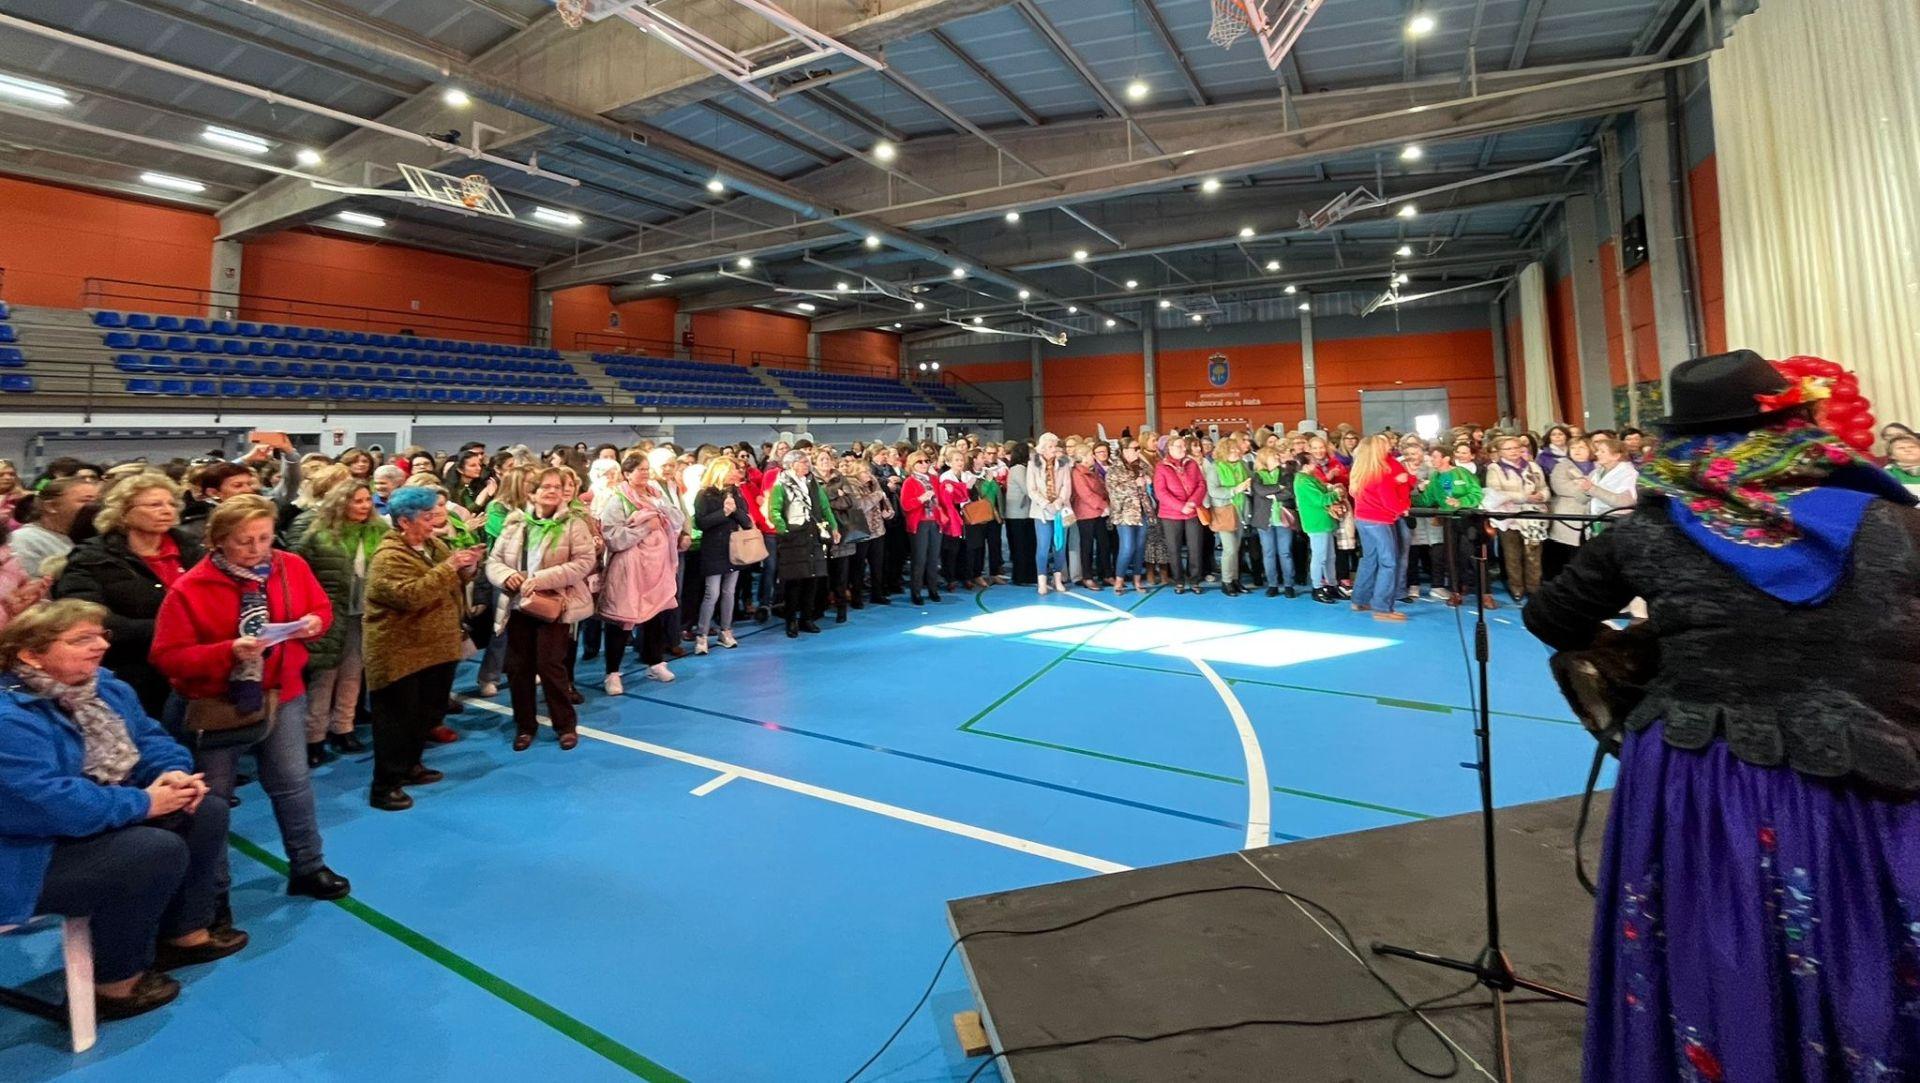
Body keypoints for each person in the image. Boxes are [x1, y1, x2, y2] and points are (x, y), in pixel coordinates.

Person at [1522, 351, 1920, 1082]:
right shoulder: (1893, 520)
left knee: (1716, 954)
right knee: (1867, 956)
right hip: (1868, 771)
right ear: (1797, 420)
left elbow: (1550, 615)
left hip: (1703, 778)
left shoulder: (1649, 529)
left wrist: (1647, 645)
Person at [0, 600, 246, 1020]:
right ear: (30, 654)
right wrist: (145, 802)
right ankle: (115, 983)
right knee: (149, 852)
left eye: (101, 635)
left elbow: (151, 739)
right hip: (26, 853)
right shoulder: (10, 717)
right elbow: (51, 804)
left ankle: (182, 932)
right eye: (82, 639)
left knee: (205, 811)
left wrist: (173, 774)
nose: (99, 646)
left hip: (91, 822)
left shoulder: (107, 687)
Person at [149, 496, 349, 901]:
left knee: (293, 785)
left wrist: (313, 623)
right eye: (244, 541)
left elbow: (320, 607)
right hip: (215, 703)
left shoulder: (290, 567)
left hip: (283, 692)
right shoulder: (190, 588)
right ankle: (213, 890)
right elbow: (166, 656)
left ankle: (308, 865)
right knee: (213, 804)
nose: (258, 549)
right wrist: (227, 652)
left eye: (264, 537)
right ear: (218, 541)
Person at [363, 487, 479, 810]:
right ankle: (384, 786)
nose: (435, 522)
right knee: (395, 722)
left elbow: (451, 582)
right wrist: (450, 567)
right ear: (404, 521)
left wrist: (468, 568)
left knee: (422, 716)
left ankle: (411, 766)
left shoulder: (432, 545)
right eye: (428, 518)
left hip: (434, 650)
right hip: (400, 653)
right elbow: (410, 596)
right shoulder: (388, 557)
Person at [53, 472, 200, 719]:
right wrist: (169, 631)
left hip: (194, 667)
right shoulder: (92, 557)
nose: (167, 511)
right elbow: (86, 617)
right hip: (130, 669)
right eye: (155, 505)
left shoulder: (194, 550)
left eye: (171, 504)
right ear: (123, 512)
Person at [487, 467, 596, 752]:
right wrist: (505, 576)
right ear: (531, 492)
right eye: (545, 487)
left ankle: (565, 725)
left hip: (554, 605)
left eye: (556, 487)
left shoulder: (574, 524)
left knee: (550, 665)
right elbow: (494, 561)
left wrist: (540, 580)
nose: (551, 491)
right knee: (518, 668)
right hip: (518, 605)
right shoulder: (515, 523)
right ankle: (525, 726)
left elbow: (584, 562)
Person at [295, 479, 386, 766]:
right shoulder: (318, 535)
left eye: (366, 500)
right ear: (340, 502)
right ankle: (313, 737)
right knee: (324, 677)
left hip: (366, 614)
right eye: (356, 500)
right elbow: (299, 575)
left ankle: (343, 728)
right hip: (328, 614)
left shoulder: (382, 531)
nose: (363, 506)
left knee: (353, 674)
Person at [598, 453, 683, 686]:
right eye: (639, 469)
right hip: (629, 568)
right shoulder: (618, 500)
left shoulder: (656, 495)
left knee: (654, 615)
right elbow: (612, 536)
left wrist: (663, 511)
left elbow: (677, 519)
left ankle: (655, 662)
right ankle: (612, 673)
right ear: (627, 473)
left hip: (655, 567)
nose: (645, 473)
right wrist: (644, 528)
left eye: (647, 469)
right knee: (622, 619)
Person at [769, 449, 838, 637]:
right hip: (793, 536)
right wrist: (784, 530)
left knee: (812, 578)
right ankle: (791, 620)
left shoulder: (813, 484)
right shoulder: (780, 485)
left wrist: (833, 527)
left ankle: (806, 618)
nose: (808, 465)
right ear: (792, 464)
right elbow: (774, 510)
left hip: (812, 534)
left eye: (808, 462)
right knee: (794, 581)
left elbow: (824, 507)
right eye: (804, 462)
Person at [1347, 434, 1415, 622]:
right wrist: (1403, 508)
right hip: (1380, 521)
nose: (1388, 448)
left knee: (1370, 559)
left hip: (1363, 519)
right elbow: (1389, 501)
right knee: (1388, 562)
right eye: (1383, 445)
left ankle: (1359, 599)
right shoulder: (1381, 473)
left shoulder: (1360, 471)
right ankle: (1382, 608)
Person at [691, 456, 753, 651]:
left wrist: (734, 511)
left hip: (734, 548)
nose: (737, 473)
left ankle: (726, 630)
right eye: (732, 469)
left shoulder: (737, 493)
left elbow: (747, 521)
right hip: (714, 548)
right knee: (712, 592)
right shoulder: (705, 495)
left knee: (729, 592)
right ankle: (701, 633)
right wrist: (723, 513)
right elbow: (701, 523)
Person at [1414, 446, 1485, 607]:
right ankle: (1455, 591)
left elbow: (1477, 493)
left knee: (1470, 554)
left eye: (1435, 457)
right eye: (1431, 458)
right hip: (1448, 520)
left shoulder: (1462, 473)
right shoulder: (1435, 477)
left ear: (1446, 458)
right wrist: (1409, 498)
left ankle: (1484, 592)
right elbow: (1427, 500)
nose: (1432, 461)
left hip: (1468, 519)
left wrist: (1461, 502)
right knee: (1451, 556)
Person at [1484, 435, 1550, 603]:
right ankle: (1516, 588)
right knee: (1512, 554)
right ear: (1500, 452)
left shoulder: (1533, 466)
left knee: (1534, 554)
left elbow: (1544, 487)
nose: (1514, 451)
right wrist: (1524, 497)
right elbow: (1495, 491)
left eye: (1516, 448)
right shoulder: (1495, 468)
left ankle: (1534, 587)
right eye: (1508, 448)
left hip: (1534, 515)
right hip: (1510, 517)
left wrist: (1542, 495)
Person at [13, 476, 101, 578]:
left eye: (98, 501)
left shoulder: (96, 537)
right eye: (86, 501)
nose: (96, 506)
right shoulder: (24, 539)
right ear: (51, 506)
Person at [1154, 435, 1208, 594]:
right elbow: (1161, 493)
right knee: (1174, 549)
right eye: (1179, 446)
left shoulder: (1192, 463)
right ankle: (1179, 581)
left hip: (1192, 512)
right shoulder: (1161, 467)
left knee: (1195, 547)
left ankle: (1195, 580)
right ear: (1169, 449)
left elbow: (1201, 484)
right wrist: (1180, 506)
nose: (1184, 449)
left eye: (1184, 446)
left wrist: (1193, 502)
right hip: (1171, 515)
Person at [1027, 433, 1075, 596]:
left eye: (1055, 446)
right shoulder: (1032, 464)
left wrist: (1059, 501)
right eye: (1050, 446)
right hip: (1041, 512)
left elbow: (1067, 486)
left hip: (1061, 510)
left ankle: (1057, 579)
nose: (1054, 449)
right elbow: (1031, 489)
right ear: (1042, 448)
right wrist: (1046, 504)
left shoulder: (1064, 464)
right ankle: (1041, 580)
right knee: (1043, 546)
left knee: (1060, 546)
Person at [1248, 445, 1298, 598]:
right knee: (1268, 553)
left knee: (1285, 552)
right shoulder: (1257, 476)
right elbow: (1260, 491)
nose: (1277, 458)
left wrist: (1274, 495)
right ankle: (1272, 584)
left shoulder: (1286, 474)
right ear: (1264, 459)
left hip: (1282, 519)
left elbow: (1289, 492)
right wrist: (1278, 487)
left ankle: (1289, 584)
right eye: (1273, 456)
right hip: (1265, 520)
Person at [1544, 436, 1598, 580]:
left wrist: (1583, 485)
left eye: (1581, 447)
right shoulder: (1562, 466)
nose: (1577, 451)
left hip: (1594, 513)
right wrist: (1589, 488)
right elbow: (1560, 487)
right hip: (1568, 513)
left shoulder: (1599, 466)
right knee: (1568, 554)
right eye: (1573, 448)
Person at [900, 451, 948, 606]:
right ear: (912, 464)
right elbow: (905, 505)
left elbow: (941, 500)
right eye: (919, 462)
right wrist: (921, 499)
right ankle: (916, 591)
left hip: (935, 522)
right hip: (919, 523)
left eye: (926, 461)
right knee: (919, 559)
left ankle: (933, 590)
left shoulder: (934, 479)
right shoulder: (909, 482)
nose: (924, 464)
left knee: (934, 558)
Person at [1207, 435, 1253, 595]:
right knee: (1230, 549)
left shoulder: (1243, 464)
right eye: (1231, 449)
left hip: (1241, 509)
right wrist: (1234, 490)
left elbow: (1251, 479)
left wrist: (1248, 486)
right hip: (1224, 511)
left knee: (1237, 547)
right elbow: (1213, 491)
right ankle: (1226, 582)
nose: (1235, 451)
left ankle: (1235, 580)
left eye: (1236, 448)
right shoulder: (1215, 467)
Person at [1105, 440, 1151, 594]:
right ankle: (1119, 580)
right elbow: (1114, 491)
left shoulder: (1141, 466)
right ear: (1124, 450)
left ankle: (1137, 580)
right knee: (1127, 547)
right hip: (1124, 513)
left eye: (1140, 448)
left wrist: (1147, 479)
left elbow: (1151, 478)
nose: (1138, 451)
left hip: (1142, 512)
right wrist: (1135, 484)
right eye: (1135, 448)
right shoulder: (1114, 469)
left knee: (1140, 547)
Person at [1070, 444, 1111, 591]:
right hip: (1085, 514)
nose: (1093, 457)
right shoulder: (1077, 473)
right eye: (1090, 455)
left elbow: (1100, 489)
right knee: (1086, 546)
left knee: (1104, 543)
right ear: (1084, 458)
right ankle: (1087, 577)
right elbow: (1086, 494)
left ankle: (1106, 574)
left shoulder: (1091, 472)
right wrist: (1104, 505)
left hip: (1098, 512)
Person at [1002, 442, 1036, 586]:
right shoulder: (1019, 469)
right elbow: (1028, 489)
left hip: (1021, 514)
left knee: (1024, 546)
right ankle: (1022, 576)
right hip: (1018, 515)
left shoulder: (1018, 468)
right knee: (1022, 547)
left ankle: (1026, 575)